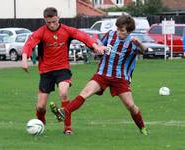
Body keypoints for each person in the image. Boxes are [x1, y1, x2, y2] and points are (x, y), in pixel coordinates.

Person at [50, 15, 149, 135]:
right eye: (118, 29)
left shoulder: (133, 43)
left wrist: (140, 44)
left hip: (120, 78)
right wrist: (98, 49)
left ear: (129, 31)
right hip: (102, 74)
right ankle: (63, 113)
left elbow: (145, 51)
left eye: (122, 31)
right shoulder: (111, 34)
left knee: (130, 106)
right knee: (84, 93)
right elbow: (98, 45)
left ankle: (142, 128)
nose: (118, 32)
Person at [22, 7, 105, 135]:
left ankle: (67, 128)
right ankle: (41, 125)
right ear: (45, 20)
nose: (52, 25)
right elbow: (29, 44)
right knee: (40, 106)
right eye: (48, 22)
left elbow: (83, 36)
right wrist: (24, 59)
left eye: (54, 21)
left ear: (58, 18)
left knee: (64, 93)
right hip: (46, 71)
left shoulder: (66, 30)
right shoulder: (41, 32)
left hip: (63, 69)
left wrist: (95, 46)